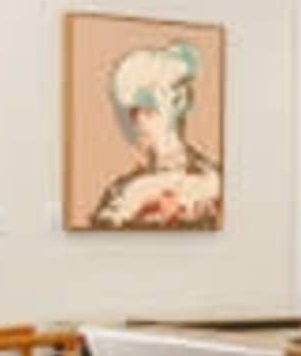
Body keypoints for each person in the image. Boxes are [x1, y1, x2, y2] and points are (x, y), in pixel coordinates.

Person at [89, 39, 222, 228]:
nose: (138, 122)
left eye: (148, 109)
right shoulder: (124, 193)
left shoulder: (215, 180)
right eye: (134, 112)